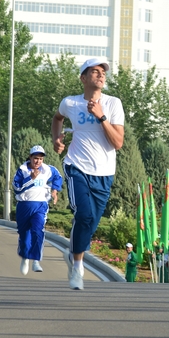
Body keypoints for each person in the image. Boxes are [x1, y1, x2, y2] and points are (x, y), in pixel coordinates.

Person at [52, 56, 125, 291]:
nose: (101, 75)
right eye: (95, 71)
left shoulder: (113, 104)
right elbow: (57, 118)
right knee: (83, 214)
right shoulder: (70, 103)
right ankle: (77, 267)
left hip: (104, 172)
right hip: (77, 166)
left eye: (103, 72)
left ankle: (72, 250)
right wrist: (57, 138)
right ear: (83, 78)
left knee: (91, 221)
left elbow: (118, 143)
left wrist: (101, 116)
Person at [14, 146, 62, 275]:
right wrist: (31, 178)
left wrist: (55, 190)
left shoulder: (47, 170)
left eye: (40, 159)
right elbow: (17, 188)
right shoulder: (22, 170)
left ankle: (35, 260)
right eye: (35, 158)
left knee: (38, 231)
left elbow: (58, 176)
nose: (38, 161)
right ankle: (25, 257)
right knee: (24, 236)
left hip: (40, 205)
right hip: (24, 206)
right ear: (30, 157)